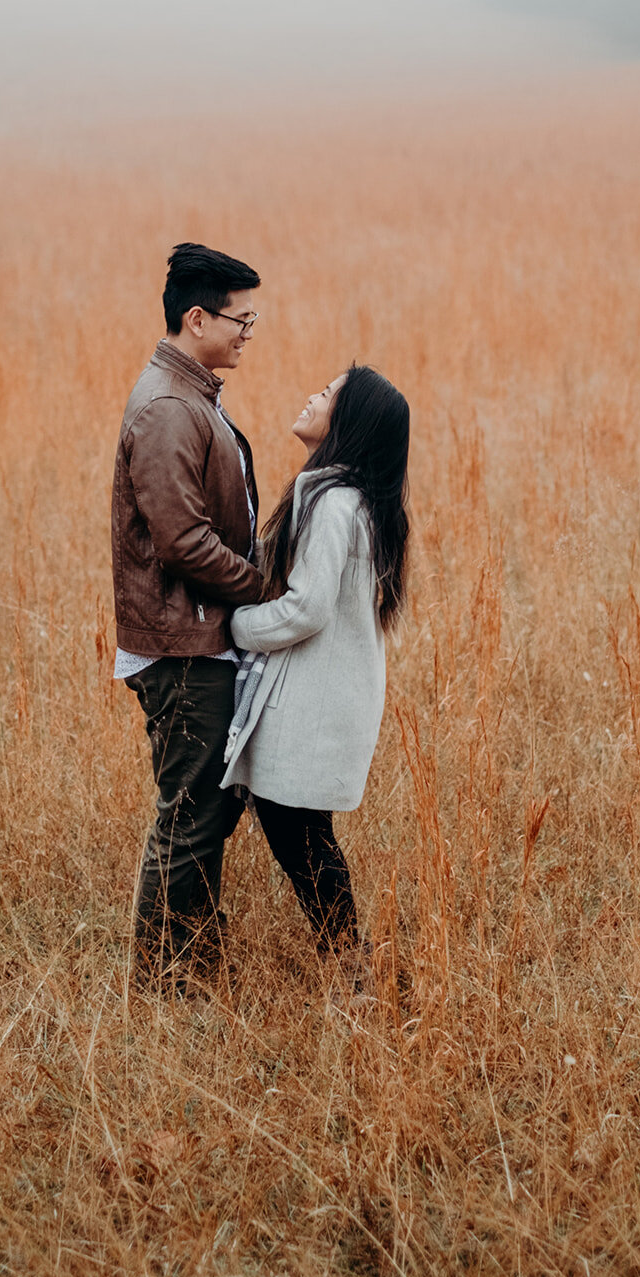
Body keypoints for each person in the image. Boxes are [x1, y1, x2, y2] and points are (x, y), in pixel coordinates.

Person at [221, 363, 410, 975]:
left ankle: (349, 963)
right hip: (326, 694)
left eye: (328, 395)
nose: (311, 395)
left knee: (296, 831)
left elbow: (307, 607)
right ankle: (348, 958)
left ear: (347, 422)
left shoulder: (334, 503)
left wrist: (235, 628)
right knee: (302, 829)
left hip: (314, 700)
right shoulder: (349, 498)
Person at [111, 241, 263, 981]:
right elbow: (181, 542)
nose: (247, 332)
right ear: (196, 317)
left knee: (203, 811)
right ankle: (166, 983)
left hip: (193, 636)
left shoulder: (189, 393)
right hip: (182, 646)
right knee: (189, 817)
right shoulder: (171, 408)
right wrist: (265, 589)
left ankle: (193, 966)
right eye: (240, 319)